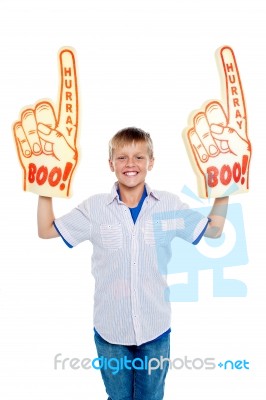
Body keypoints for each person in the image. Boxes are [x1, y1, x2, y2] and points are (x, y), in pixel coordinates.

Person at [38, 126, 228, 400]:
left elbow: (213, 230)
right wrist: (44, 187)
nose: (131, 164)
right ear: (111, 164)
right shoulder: (95, 209)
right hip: (111, 333)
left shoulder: (168, 206)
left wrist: (226, 188)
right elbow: (46, 230)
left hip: (155, 331)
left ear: (151, 162)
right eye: (122, 157)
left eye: (139, 157)